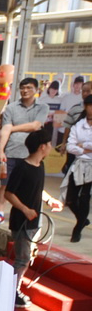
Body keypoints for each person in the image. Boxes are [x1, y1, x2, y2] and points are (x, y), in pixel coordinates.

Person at [4, 128, 51, 306]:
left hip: (34, 222)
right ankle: (12, 292)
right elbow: (9, 193)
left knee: (28, 256)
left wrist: (48, 200)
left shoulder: (41, 166)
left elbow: (38, 190)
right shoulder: (22, 168)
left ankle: (15, 288)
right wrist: (25, 209)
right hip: (22, 221)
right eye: (48, 144)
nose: (50, 147)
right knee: (22, 258)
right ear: (42, 147)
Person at [0, 78, 49, 225]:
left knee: (33, 186)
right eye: (23, 88)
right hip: (11, 151)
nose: (25, 91)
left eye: (29, 88)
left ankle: (32, 213)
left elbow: (35, 126)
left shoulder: (42, 108)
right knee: (5, 185)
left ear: (36, 90)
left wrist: (12, 127)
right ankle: (0, 212)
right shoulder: (11, 108)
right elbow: (4, 131)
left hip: (31, 154)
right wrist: (1, 150)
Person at [60, 93, 92, 242]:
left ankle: (77, 228)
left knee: (85, 198)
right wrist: (83, 149)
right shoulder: (79, 125)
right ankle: (82, 218)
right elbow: (71, 146)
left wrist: (83, 145)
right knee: (70, 199)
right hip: (78, 163)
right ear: (85, 107)